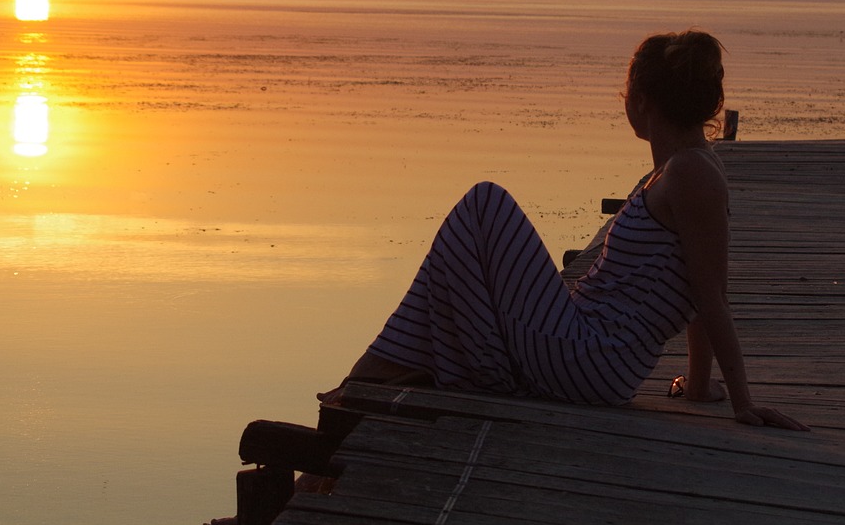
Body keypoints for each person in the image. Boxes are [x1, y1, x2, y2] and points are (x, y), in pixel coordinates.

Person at [320, 30, 808, 431]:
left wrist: (742, 402)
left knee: (483, 204)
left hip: (593, 359)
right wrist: (699, 387)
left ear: (640, 101)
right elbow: (702, 288)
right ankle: (390, 373)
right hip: (585, 348)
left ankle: (379, 375)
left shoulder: (693, 174)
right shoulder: (677, 171)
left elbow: (711, 294)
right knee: (475, 234)